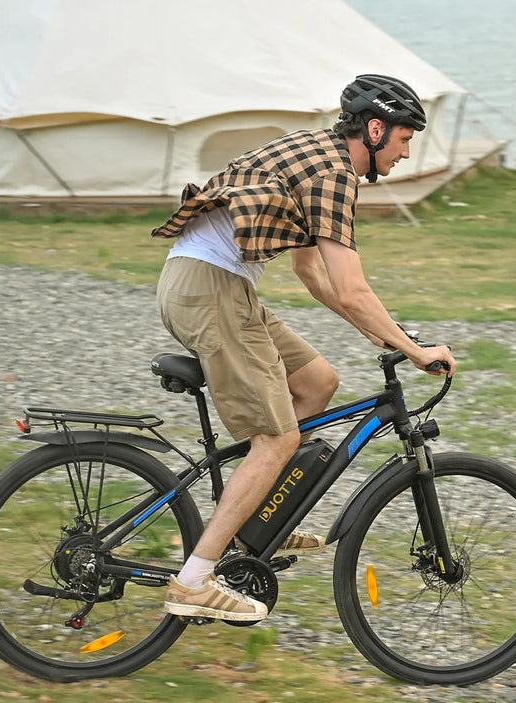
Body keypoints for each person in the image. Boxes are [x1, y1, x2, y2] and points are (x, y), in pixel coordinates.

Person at [150, 74, 457, 623]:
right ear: (376, 128)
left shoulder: (319, 154)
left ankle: (257, 521)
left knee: (317, 383)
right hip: (209, 290)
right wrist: (414, 350)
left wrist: (380, 334)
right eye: (405, 139)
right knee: (277, 438)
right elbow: (351, 286)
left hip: (216, 285)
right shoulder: (335, 173)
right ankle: (193, 580)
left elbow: (311, 271)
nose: (407, 152)